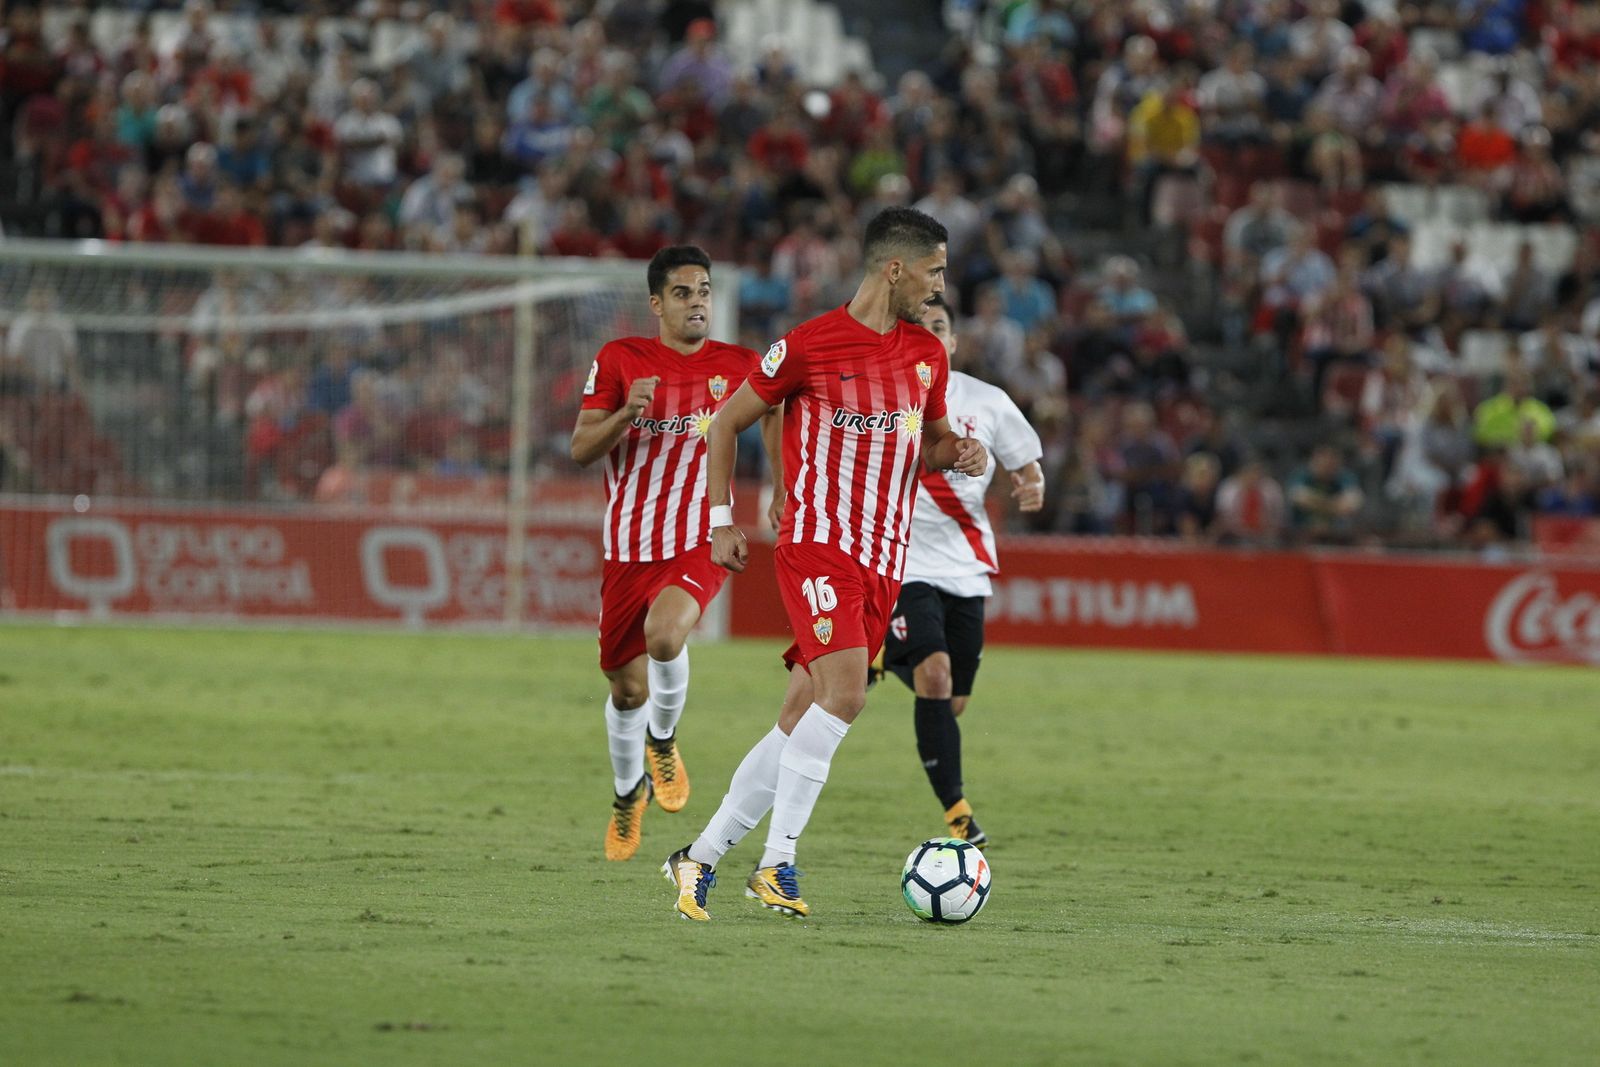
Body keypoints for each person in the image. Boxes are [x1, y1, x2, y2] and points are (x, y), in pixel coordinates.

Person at [662, 208, 988, 921]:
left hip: (884, 561)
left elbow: (930, 443)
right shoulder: (810, 345)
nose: (940, 286)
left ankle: (701, 856)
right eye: (934, 271)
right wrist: (720, 522)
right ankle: (778, 863)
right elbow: (726, 423)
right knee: (846, 694)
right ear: (894, 269)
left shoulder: (926, 356)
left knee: (801, 713)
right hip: (819, 546)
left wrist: (962, 452)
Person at [569, 245, 781, 863]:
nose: (698, 302)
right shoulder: (619, 360)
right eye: (684, 293)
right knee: (626, 690)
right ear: (658, 303)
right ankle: (625, 792)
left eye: (705, 291)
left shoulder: (740, 364)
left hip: (699, 536)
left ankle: (663, 742)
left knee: (666, 639)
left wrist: (779, 486)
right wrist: (626, 414)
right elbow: (582, 448)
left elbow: (778, 406)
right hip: (629, 547)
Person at [877, 294, 1044, 848]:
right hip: (901, 558)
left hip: (967, 565)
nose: (931, 332)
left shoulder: (987, 401)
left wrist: (1032, 483)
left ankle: (882, 652)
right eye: (919, 324)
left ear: (951, 341)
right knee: (937, 675)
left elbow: (1026, 461)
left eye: (940, 325)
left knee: (951, 701)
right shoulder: (883, 393)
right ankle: (958, 812)